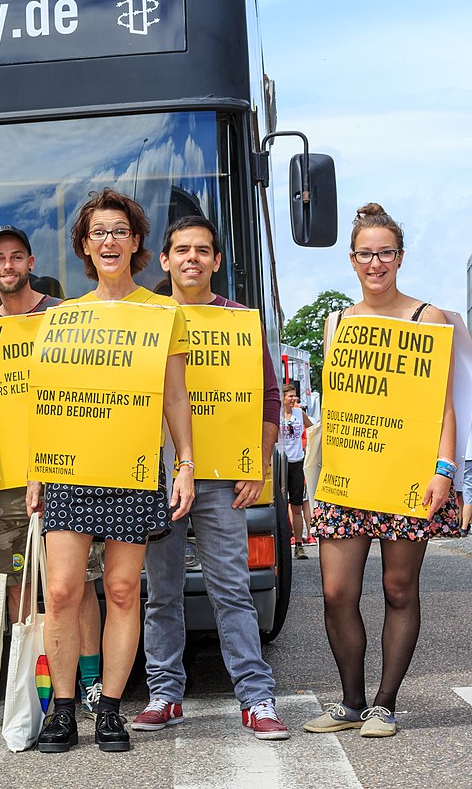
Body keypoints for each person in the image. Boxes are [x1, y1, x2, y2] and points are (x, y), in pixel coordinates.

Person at [27, 188, 194, 753]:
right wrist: (36, 472)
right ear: (84, 245)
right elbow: (46, 400)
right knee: (64, 590)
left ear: (137, 241)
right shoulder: (62, 318)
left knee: (124, 591)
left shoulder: (162, 312)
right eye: (98, 232)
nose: (109, 240)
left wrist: (185, 465)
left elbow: (175, 398)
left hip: (134, 468)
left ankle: (112, 709)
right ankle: (64, 708)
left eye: (119, 230)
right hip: (72, 470)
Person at [303, 203, 464, 739]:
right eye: (366, 254)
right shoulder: (338, 322)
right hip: (348, 475)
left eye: (385, 253)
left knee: (399, 588)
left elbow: (444, 405)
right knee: (335, 592)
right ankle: (349, 701)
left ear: (400, 257)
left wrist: (445, 471)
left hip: (409, 476)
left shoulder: (428, 319)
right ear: (351, 260)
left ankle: (384, 704)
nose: (376, 263)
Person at [135, 215, 288, 739]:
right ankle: (164, 694)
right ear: (165, 259)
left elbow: (268, 398)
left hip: (225, 476)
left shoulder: (242, 321)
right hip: (157, 475)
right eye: (182, 250)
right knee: (162, 590)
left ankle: (257, 698)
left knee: (231, 589)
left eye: (203, 250)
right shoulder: (144, 318)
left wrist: (260, 463)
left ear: (216, 261)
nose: (192, 258)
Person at [0, 225, 105, 714]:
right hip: (5, 482)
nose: (7, 266)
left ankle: (90, 683)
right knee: (19, 589)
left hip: (63, 474)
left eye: (16, 257)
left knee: (78, 586)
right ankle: (39, 687)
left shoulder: (64, 317)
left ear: (30, 262)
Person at [279, 384, 313, 559]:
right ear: (282, 397)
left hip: (296, 463)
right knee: (280, 506)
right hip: (280, 463)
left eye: (295, 396)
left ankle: (299, 544)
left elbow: (313, 429)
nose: (294, 399)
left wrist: (309, 450)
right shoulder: (276, 414)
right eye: (290, 396)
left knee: (297, 506)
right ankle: (282, 542)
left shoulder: (299, 413)